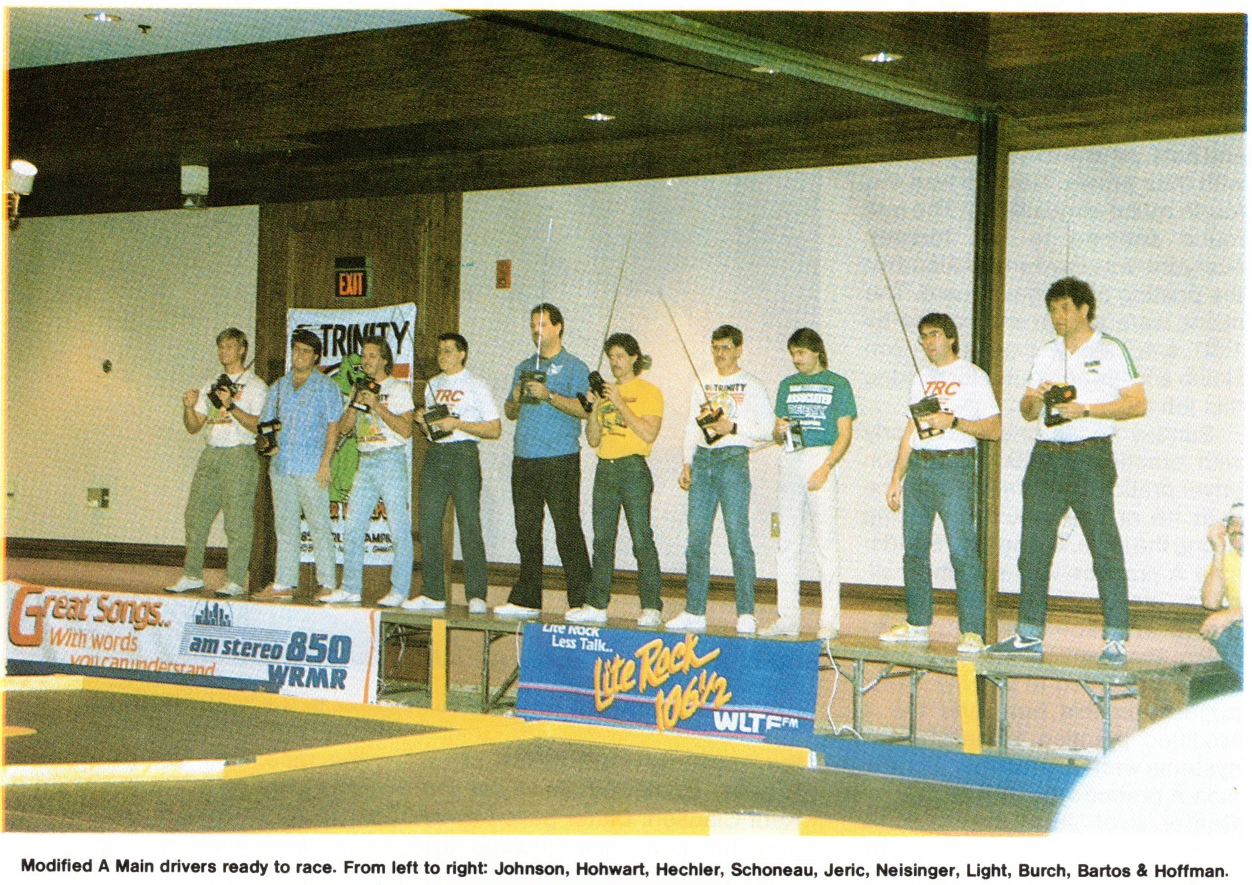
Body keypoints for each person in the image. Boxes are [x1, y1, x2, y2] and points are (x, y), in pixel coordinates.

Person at [987, 277, 1146, 665]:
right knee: (1033, 549)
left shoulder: (1109, 349)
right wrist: (1034, 398)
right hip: (1046, 456)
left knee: (1103, 546)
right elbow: (1025, 412)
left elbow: (1137, 404)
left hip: (1090, 456)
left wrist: (1087, 409)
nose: (1057, 317)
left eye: (1064, 309)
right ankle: (1028, 634)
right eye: (1052, 310)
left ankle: (1115, 638)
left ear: (1084, 309)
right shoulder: (1046, 352)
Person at [880, 314, 1001, 653]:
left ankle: (972, 630)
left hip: (954, 467)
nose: (928, 342)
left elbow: (994, 429)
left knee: (962, 551)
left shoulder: (973, 376)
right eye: (923, 337)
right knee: (914, 550)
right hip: (920, 468)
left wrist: (954, 422)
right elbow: (909, 431)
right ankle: (918, 622)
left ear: (950, 338)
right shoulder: (920, 379)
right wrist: (896, 478)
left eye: (934, 335)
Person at [666, 324, 773, 635]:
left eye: (726, 348)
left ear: (739, 350)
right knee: (696, 539)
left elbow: (769, 429)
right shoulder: (702, 383)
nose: (720, 354)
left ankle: (746, 612)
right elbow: (691, 425)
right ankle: (695, 611)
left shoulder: (751, 384)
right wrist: (686, 462)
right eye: (715, 348)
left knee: (738, 537)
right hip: (703, 461)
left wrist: (733, 429)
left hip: (733, 461)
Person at [494, 303, 592, 619]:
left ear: (559, 327)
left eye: (543, 325)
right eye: (533, 325)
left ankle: (581, 599)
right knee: (526, 531)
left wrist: (548, 394)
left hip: (560, 458)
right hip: (524, 459)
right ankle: (527, 598)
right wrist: (517, 396)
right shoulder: (524, 366)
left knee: (567, 529)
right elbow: (510, 412)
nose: (537, 331)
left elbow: (584, 410)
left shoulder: (575, 366)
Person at [566, 334, 664, 626]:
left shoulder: (649, 391)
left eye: (620, 356)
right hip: (605, 468)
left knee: (641, 538)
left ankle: (651, 606)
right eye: (611, 356)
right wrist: (595, 407)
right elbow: (593, 439)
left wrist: (620, 403)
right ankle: (597, 603)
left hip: (633, 468)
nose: (615, 362)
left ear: (634, 358)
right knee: (602, 539)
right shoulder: (605, 394)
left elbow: (648, 433)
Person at [763, 328, 856, 639]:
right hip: (792, 456)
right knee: (786, 543)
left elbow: (845, 433)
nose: (796, 359)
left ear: (816, 351)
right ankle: (787, 617)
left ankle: (830, 621)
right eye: (792, 354)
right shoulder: (786, 385)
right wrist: (778, 430)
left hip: (821, 458)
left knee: (825, 545)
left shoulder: (838, 383)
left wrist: (826, 467)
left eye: (801, 353)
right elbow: (778, 434)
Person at [166, 328, 266, 598]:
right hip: (211, 453)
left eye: (229, 347)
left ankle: (235, 579)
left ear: (242, 349)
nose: (224, 352)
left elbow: (259, 425)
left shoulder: (256, 385)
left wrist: (231, 405)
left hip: (239, 454)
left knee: (237, 521)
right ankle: (191, 574)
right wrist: (188, 406)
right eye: (220, 347)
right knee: (195, 515)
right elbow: (194, 426)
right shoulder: (211, 383)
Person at [406, 333, 500, 614]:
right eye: (439, 350)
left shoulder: (476, 385)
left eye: (448, 350)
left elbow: (494, 429)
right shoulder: (432, 384)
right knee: (429, 524)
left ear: (462, 354)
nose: (442, 355)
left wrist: (457, 423)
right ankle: (433, 592)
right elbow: (432, 433)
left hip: (463, 455)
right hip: (437, 455)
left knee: (469, 523)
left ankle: (476, 594)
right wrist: (423, 422)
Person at [322, 336, 415, 605]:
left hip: (390, 459)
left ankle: (400, 590)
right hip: (365, 460)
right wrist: (355, 402)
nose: (366, 360)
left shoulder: (397, 388)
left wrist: (377, 405)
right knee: (352, 526)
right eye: (364, 355)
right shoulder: (358, 388)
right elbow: (344, 428)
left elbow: (406, 430)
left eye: (372, 355)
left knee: (398, 528)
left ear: (385, 359)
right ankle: (351, 587)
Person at [252, 329, 343, 601]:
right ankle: (283, 583)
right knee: (285, 526)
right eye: (296, 349)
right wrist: (267, 444)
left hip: (312, 466)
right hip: (281, 466)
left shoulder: (327, 387)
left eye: (306, 351)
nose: (299, 355)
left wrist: (326, 464)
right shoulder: (278, 386)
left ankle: (327, 582)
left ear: (316, 357)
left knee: (319, 526)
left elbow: (333, 427)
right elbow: (265, 425)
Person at [1200, 503, 1242, 683]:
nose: (1238, 529)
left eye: (1245, 523)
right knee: (1220, 631)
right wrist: (1218, 550)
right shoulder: (1229, 560)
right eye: (1233, 523)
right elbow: (1210, 602)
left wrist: (1234, 614)